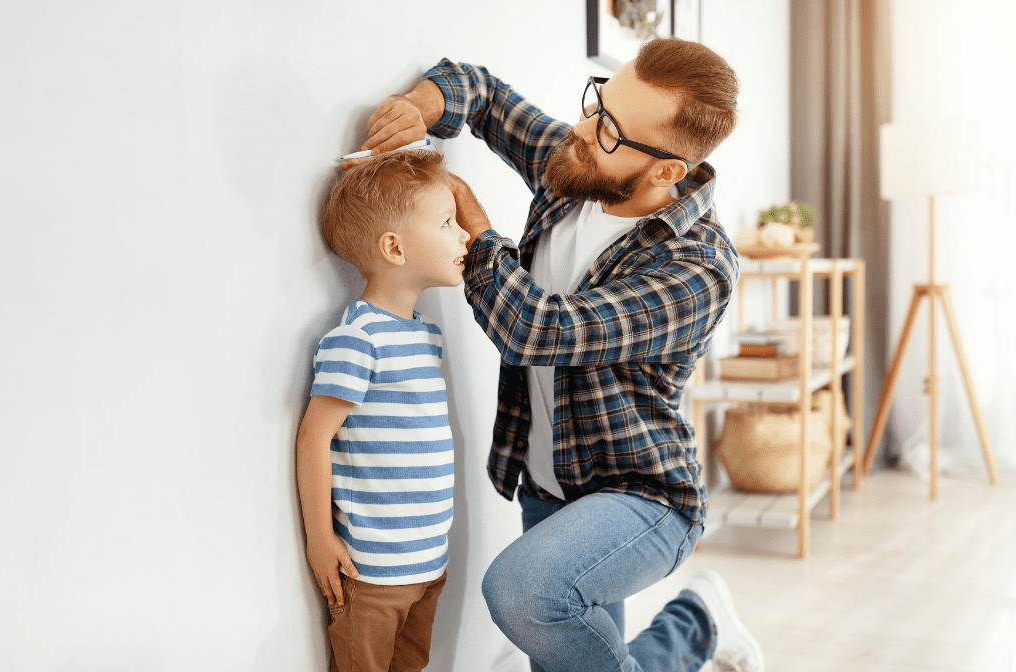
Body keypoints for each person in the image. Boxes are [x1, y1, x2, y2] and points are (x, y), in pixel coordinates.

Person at [355, 38, 764, 672]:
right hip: (549, 486)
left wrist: (475, 224)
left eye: (610, 130)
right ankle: (697, 622)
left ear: (665, 172)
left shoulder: (697, 269)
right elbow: (484, 93)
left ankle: (696, 619)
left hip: (643, 496)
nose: (582, 128)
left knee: (523, 591)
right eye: (598, 100)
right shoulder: (585, 162)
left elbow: (538, 330)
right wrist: (421, 105)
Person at [295, 149, 470, 672]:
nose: (464, 235)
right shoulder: (357, 339)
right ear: (393, 247)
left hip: (427, 563)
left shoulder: (426, 335)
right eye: (447, 222)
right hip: (372, 574)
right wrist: (320, 539)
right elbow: (313, 438)